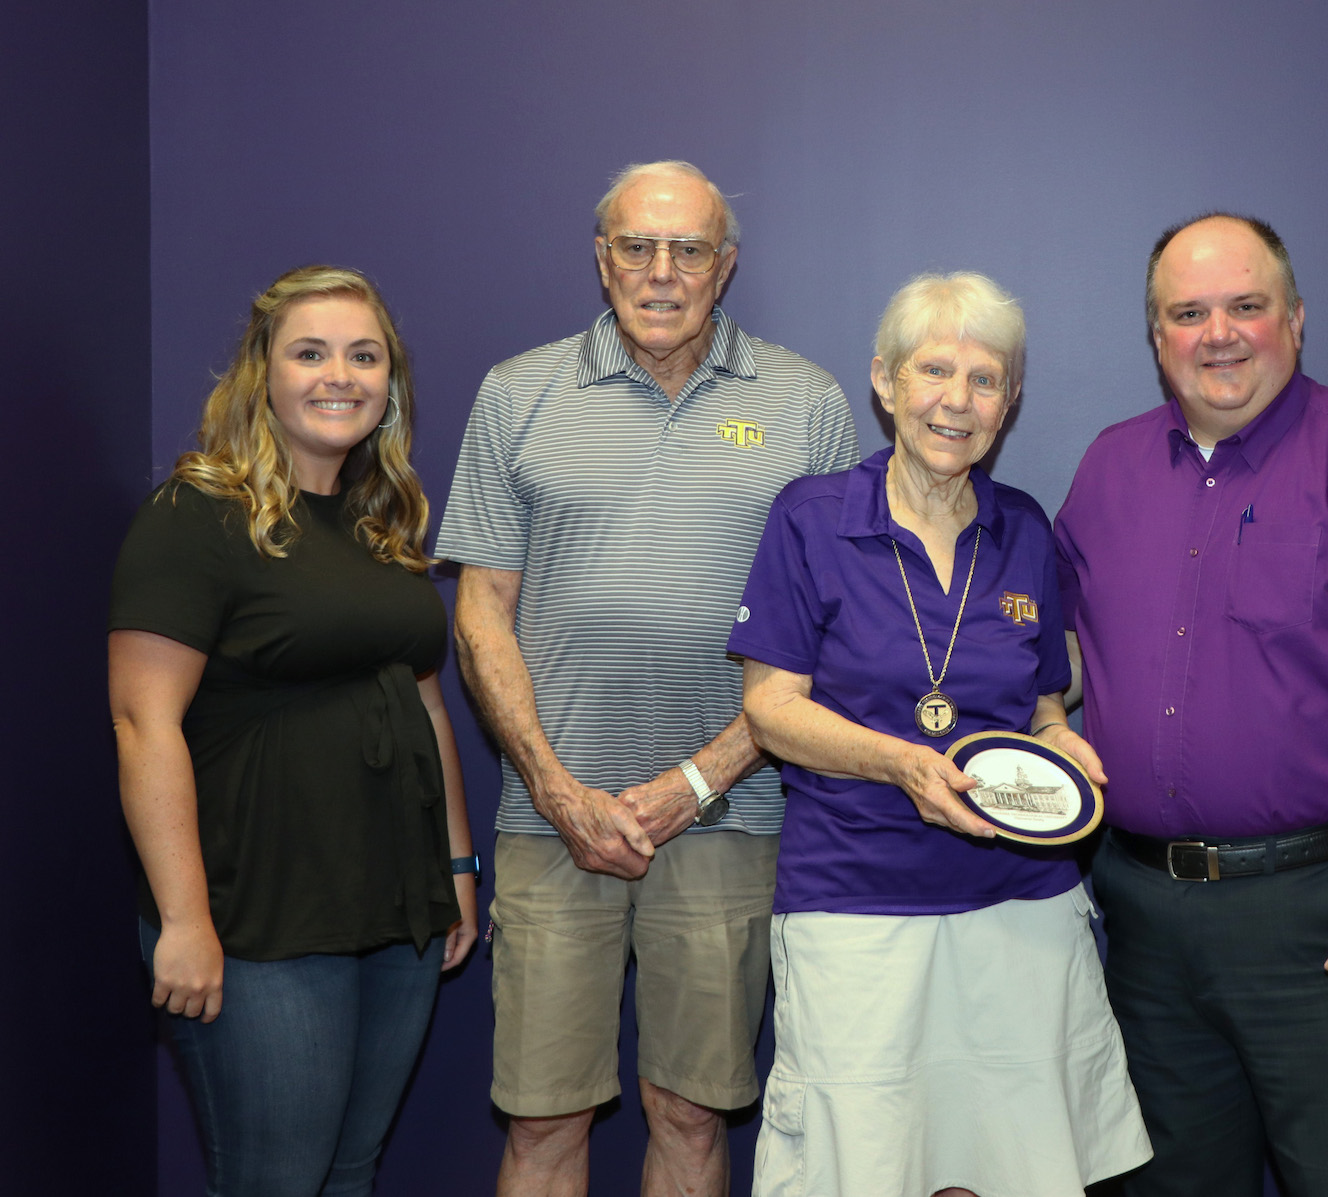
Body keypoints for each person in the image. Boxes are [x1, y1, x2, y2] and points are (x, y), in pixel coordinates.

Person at [435, 160, 858, 1197]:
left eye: (689, 249)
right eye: (637, 245)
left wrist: (693, 784)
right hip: (550, 826)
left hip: (733, 821)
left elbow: (828, 641)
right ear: (601, 255)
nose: (661, 272)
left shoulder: (807, 404)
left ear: (726, 266)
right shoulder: (516, 393)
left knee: (690, 1113)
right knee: (543, 1120)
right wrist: (551, 785)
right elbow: (481, 605)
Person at [1053, 214, 1328, 1197]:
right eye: (1188, 312)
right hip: (1144, 916)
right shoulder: (1109, 468)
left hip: (1320, 915)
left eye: (1245, 306)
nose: (1218, 333)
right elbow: (1065, 660)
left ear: (1294, 318)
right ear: (1156, 336)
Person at [731, 272, 1151, 1197]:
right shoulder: (810, 518)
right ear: (884, 381)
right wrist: (902, 764)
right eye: (934, 370)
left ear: (1009, 401)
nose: (957, 400)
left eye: (986, 378)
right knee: (865, 1165)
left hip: (1022, 903)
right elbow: (770, 708)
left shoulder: (1026, 530)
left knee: (1017, 1165)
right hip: (857, 902)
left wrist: (1060, 742)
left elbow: (1045, 702)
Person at [109, 265, 479, 1196]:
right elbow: (141, 719)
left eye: (365, 355)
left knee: (350, 1172)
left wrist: (458, 872)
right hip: (259, 919)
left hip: (396, 910)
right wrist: (185, 921)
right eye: (309, 352)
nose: (339, 375)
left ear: (390, 384)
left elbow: (427, 705)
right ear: (261, 373)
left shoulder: (382, 523)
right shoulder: (196, 513)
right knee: (279, 1179)